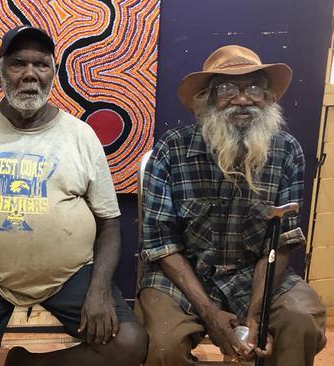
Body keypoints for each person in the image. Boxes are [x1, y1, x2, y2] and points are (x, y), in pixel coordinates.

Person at [0, 26, 147, 366]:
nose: (29, 74)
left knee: (129, 343)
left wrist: (99, 289)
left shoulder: (81, 136)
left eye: (40, 64)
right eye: (17, 64)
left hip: (70, 274)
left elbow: (111, 225)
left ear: (53, 73)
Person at [138, 45, 327, 366]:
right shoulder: (171, 150)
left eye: (254, 88)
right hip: (184, 276)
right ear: (206, 99)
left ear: (267, 98)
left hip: (253, 274)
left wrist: (256, 316)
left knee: (301, 321)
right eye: (226, 89)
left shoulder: (286, 151)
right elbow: (161, 244)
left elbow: (280, 242)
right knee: (162, 344)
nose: (242, 100)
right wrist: (209, 313)